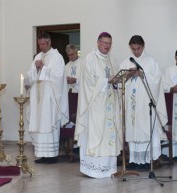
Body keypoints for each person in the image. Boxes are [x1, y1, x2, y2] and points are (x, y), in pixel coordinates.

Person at [74, 32, 122, 178]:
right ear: (98, 42)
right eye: (104, 43)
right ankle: (93, 169)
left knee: (109, 135)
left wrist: (115, 81)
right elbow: (88, 82)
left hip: (109, 104)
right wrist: (106, 80)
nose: (106, 46)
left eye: (109, 43)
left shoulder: (112, 60)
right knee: (96, 134)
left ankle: (108, 168)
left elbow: (115, 79)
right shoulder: (89, 59)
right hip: (95, 105)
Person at [119, 35, 167, 167]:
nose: (136, 52)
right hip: (132, 104)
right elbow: (119, 83)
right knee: (133, 130)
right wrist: (128, 75)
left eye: (138, 48)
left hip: (145, 105)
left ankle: (148, 160)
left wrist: (143, 74)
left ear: (143, 46)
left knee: (145, 130)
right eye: (133, 49)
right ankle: (134, 160)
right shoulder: (126, 63)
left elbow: (157, 80)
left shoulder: (151, 62)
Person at [26, 33, 69, 164]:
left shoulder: (57, 57)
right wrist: (36, 70)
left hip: (50, 99)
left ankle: (52, 155)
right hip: (39, 97)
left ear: (49, 43)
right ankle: (42, 154)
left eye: (43, 44)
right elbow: (31, 75)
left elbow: (59, 76)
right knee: (39, 124)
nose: (41, 46)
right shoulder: (38, 56)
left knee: (48, 123)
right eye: (39, 44)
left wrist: (43, 68)